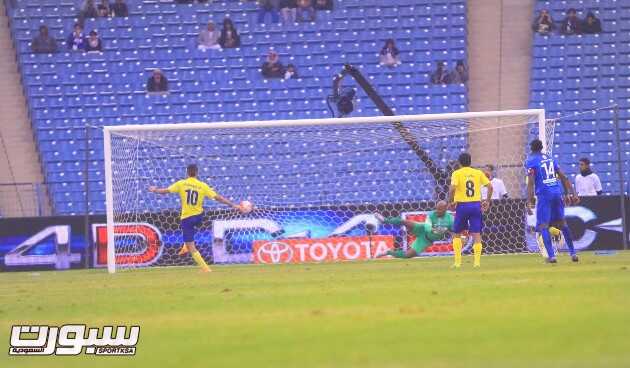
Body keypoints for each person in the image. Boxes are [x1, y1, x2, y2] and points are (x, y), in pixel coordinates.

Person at [149, 164, 248, 273]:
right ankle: (186, 246)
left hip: (186, 218)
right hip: (199, 217)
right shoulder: (202, 185)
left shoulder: (181, 183)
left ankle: (206, 269)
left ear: (187, 173)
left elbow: (165, 191)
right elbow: (218, 198)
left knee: (191, 246)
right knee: (189, 235)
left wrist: (155, 190)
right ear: (197, 173)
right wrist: (233, 205)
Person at [525, 139, 579, 263]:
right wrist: (571, 193)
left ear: (531, 148)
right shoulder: (550, 158)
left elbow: (531, 183)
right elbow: (563, 177)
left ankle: (552, 256)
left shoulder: (530, 161)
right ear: (541, 147)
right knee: (562, 223)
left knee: (543, 226)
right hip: (556, 192)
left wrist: (529, 201)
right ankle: (573, 253)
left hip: (544, 194)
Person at [447, 152, 493, 268]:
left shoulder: (456, 173)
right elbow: (490, 187)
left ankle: (457, 263)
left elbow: (452, 189)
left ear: (459, 163)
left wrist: (450, 201)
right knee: (476, 234)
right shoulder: (477, 173)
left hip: (462, 206)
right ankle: (477, 263)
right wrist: (487, 201)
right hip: (475, 205)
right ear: (470, 162)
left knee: (456, 233)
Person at [375, 201, 456, 258]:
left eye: (440, 210)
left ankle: (388, 252)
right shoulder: (431, 214)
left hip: (426, 240)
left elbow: (454, 230)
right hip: (421, 228)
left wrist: (456, 236)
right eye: (437, 209)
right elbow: (428, 228)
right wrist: (443, 230)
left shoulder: (450, 219)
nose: (437, 211)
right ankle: (385, 220)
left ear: (445, 209)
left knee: (408, 255)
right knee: (405, 222)